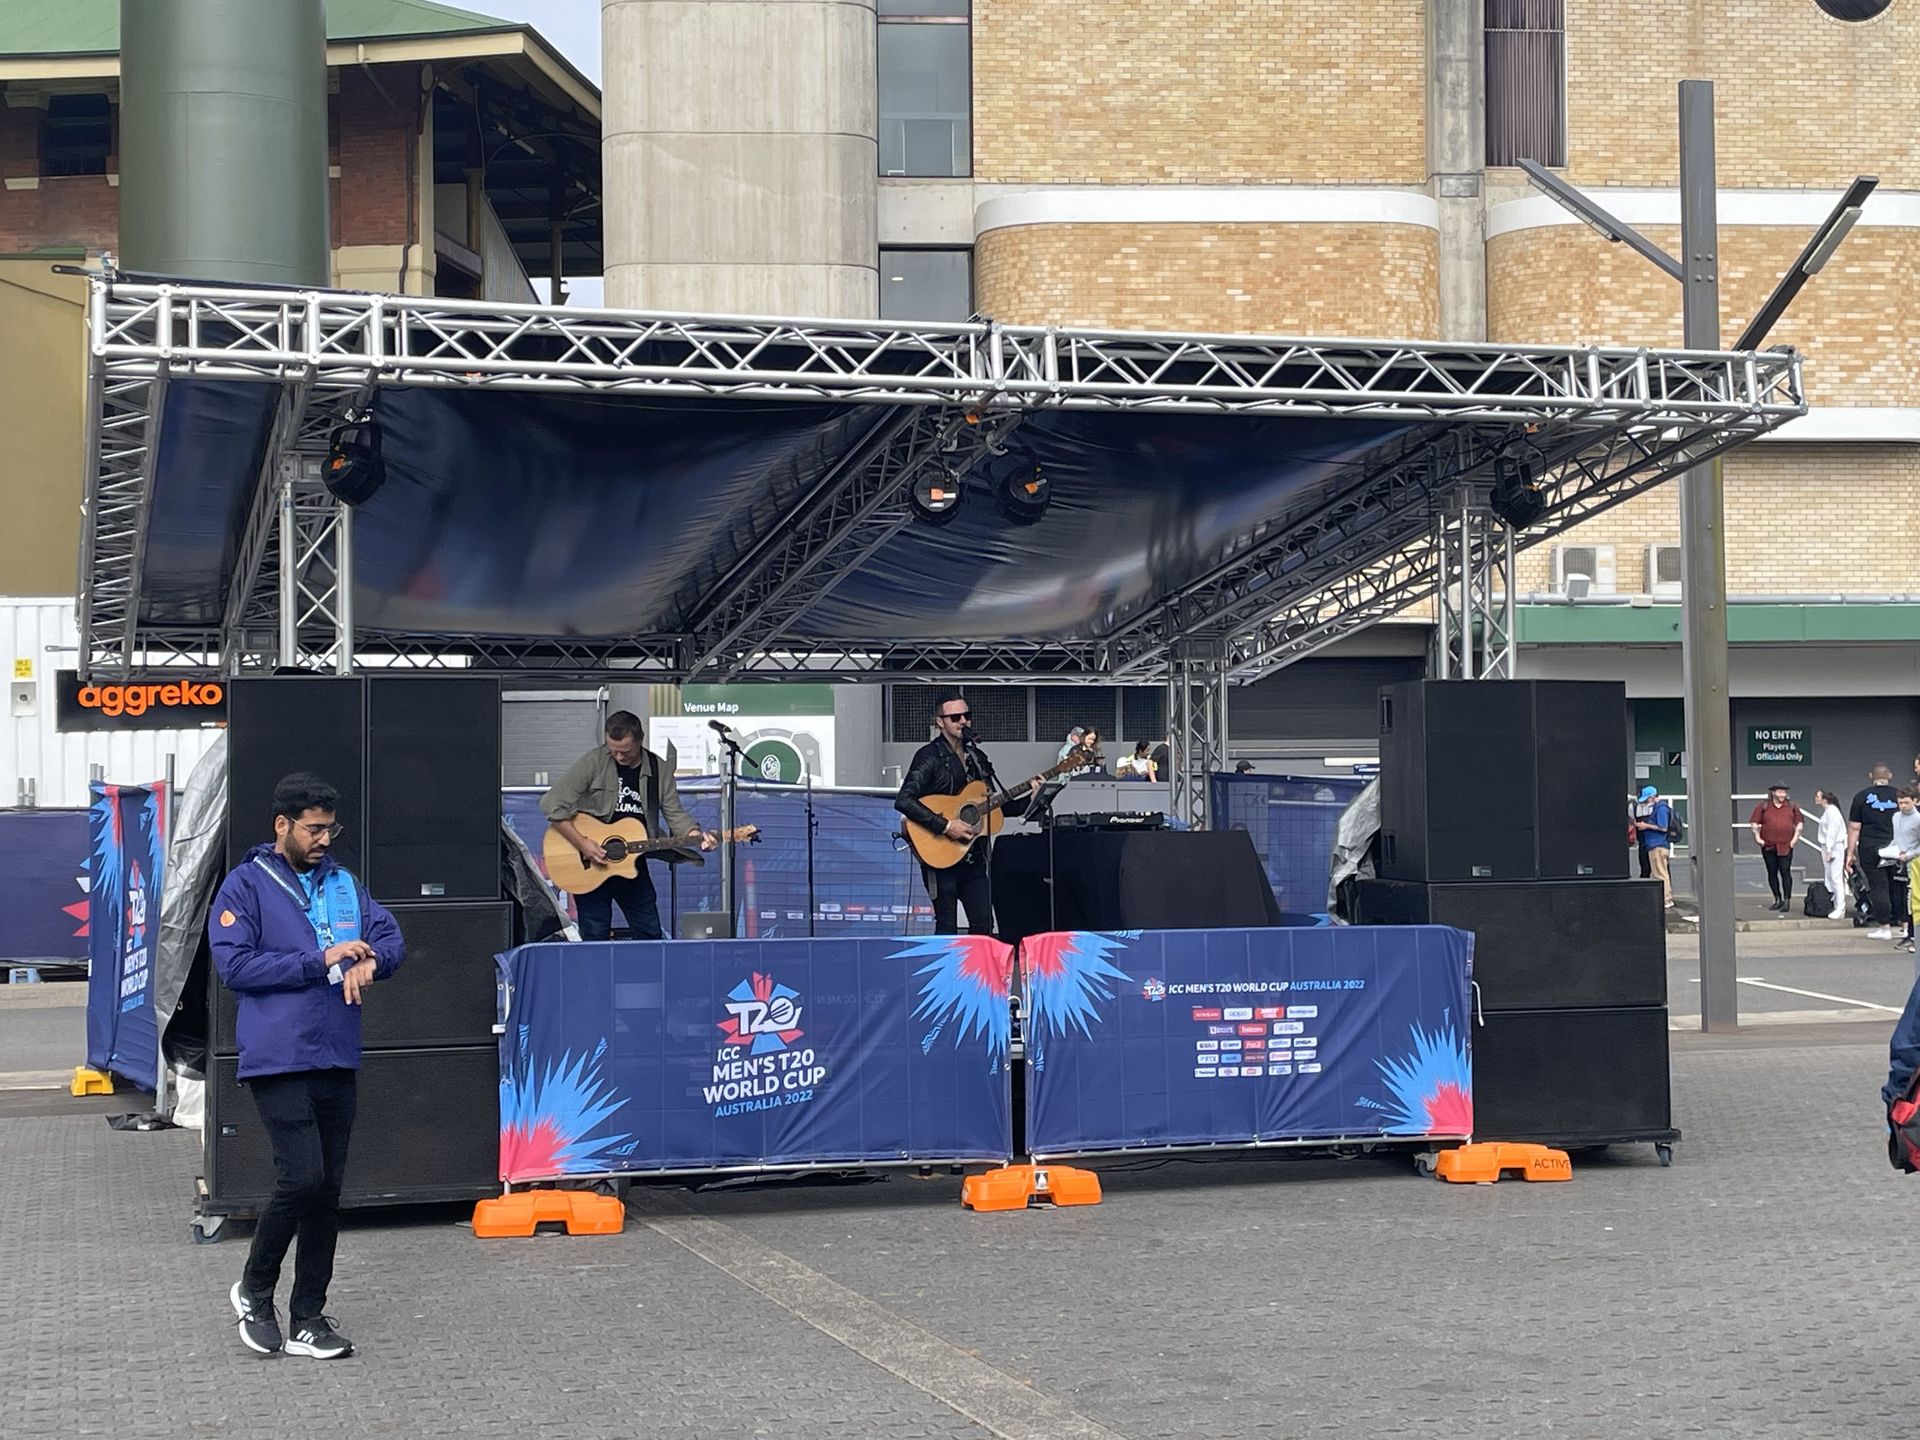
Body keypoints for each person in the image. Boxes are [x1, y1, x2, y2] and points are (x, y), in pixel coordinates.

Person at [210, 772, 406, 1361]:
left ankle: (308, 1319)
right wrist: (317, 958)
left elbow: (391, 937)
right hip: (278, 1056)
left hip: (337, 1053)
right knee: (302, 1178)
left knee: (328, 1192)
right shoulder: (244, 886)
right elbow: (236, 968)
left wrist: (373, 959)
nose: (325, 838)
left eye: (330, 828)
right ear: (282, 825)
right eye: (314, 829)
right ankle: (255, 1287)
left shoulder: (344, 883)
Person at [541, 711, 713, 940]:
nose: (619, 757)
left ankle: (648, 974)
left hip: (631, 862)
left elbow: (674, 811)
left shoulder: (658, 769)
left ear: (640, 740)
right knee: (595, 934)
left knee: (649, 932)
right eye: (613, 751)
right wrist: (582, 843)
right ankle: (596, 977)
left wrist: (694, 834)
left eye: (626, 751)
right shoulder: (595, 761)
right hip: (590, 864)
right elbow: (552, 804)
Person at [894, 693, 1040, 934]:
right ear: (940, 722)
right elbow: (904, 800)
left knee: (984, 925)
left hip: (974, 859)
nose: (963, 721)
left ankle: (980, 973)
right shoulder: (929, 757)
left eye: (966, 716)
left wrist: (1031, 799)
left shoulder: (977, 759)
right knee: (947, 925)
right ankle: (950, 972)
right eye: (955, 717)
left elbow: (995, 808)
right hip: (941, 858)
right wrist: (945, 825)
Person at [1847, 763, 1902, 939]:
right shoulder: (1900, 795)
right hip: (1896, 846)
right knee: (1900, 885)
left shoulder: (1861, 797)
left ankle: (1885, 928)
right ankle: (1905, 926)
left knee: (1879, 886)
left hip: (1870, 846)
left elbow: (1854, 827)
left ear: (1871, 776)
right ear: (1890, 776)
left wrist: (1850, 853)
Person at [1747, 783, 1803, 914]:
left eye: (1784, 792)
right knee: (1772, 872)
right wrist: (1757, 837)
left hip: (1786, 845)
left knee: (1785, 871)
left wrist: (1795, 839)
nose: (1782, 795)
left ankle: (1787, 899)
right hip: (1768, 845)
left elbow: (1799, 823)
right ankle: (1777, 898)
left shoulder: (1792, 806)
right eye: (1779, 792)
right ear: (1773, 793)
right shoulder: (1764, 806)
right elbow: (1754, 822)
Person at [1635, 784, 1673, 909]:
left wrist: (1646, 826)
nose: (1646, 802)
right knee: (1659, 873)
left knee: (1661, 874)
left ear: (1652, 797)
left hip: (1657, 845)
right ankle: (1665, 899)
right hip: (1656, 845)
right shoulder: (1659, 807)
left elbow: (1663, 827)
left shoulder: (1661, 808)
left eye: (1647, 800)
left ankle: (1666, 899)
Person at [1813, 787, 1849, 921]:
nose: (1816, 798)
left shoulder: (1832, 812)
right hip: (1831, 847)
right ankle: (1836, 905)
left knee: (1835, 877)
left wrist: (1829, 850)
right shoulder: (1829, 812)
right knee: (1830, 877)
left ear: (1824, 799)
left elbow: (1832, 833)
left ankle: (1840, 907)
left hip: (1834, 847)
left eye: (1818, 796)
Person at [1892, 788, 1920, 955]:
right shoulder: (1895, 817)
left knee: (1913, 901)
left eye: (1906, 802)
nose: (1903, 806)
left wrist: (1909, 854)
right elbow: (1897, 838)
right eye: (1900, 802)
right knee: (1902, 900)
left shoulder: (1918, 819)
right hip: (1898, 862)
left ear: (1915, 801)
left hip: (1914, 864)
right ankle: (1908, 933)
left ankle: (1914, 935)